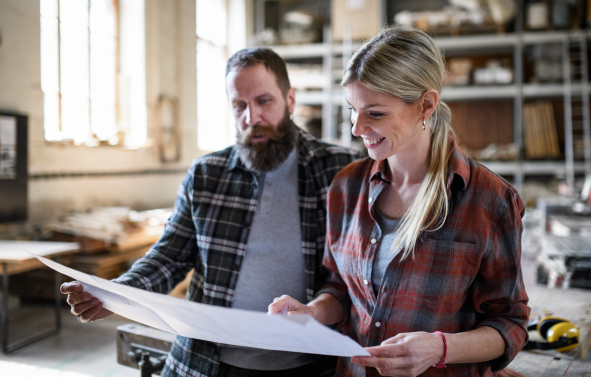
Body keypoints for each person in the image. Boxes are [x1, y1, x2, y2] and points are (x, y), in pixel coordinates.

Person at [61, 47, 361, 377]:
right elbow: (169, 257)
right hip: (209, 362)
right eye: (239, 106)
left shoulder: (339, 168)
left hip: (308, 364)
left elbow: (352, 275)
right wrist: (116, 295)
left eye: (264, 101)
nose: (252, 118)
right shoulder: (207, 174)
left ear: (290, 100)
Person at [269, 26, 530, 377]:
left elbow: (509, 323)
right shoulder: (346, 187)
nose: (356, 128)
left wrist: (439, 348)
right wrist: (312, 313)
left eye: (375, 113)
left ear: (426, 105)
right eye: (352, 109)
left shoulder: (489, 200)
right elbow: (341, 290)